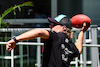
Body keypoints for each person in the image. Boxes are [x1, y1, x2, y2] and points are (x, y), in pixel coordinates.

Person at [6, 14, 90, 67]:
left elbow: (38, 32)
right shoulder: (70, 44)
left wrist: (15, 39)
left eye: (54, 24)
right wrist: (82, 31)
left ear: (63, 28)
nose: (50, 26)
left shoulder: (55, 36)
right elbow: (78, 50)